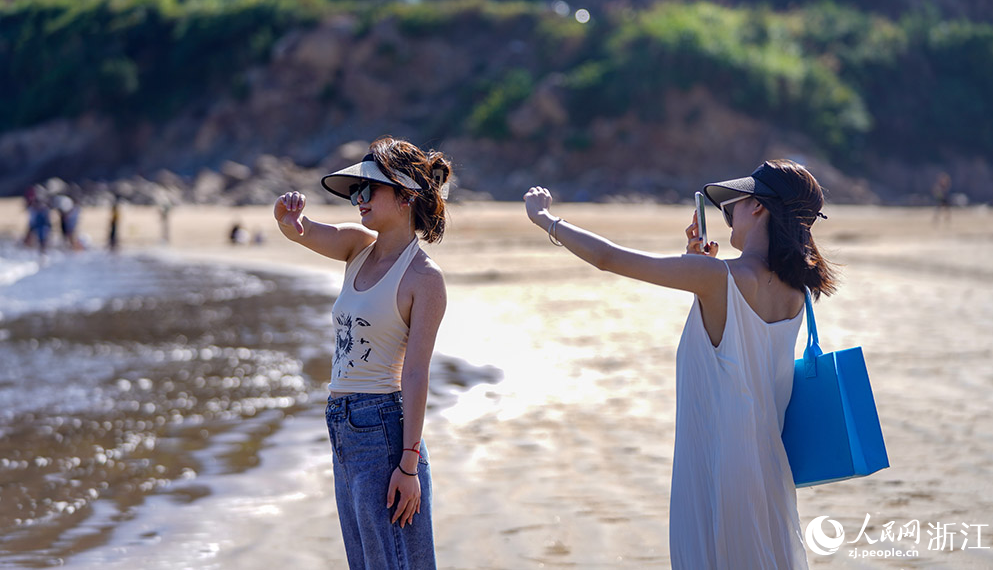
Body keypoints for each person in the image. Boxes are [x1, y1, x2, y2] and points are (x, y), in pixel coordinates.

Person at [523, 159, 837, 569]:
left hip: (715, 465)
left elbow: (607, 258)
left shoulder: (718, 277)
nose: (728, 218)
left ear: (758, 207)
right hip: (768, 470)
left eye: (733, 206)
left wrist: (544, 218)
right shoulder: (798, 292)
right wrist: (698, 271)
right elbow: (735, 346)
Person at [274, 136, 451, 569]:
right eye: (356, 190)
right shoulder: (356, 247)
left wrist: (408, 466)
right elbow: (303, 233)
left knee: (396, 562)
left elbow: (415, 374)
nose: (359, 199)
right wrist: (285, 219)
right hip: (343, 427)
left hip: (385, 429)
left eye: (370, 189)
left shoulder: (424, 278)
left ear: (407, 195)